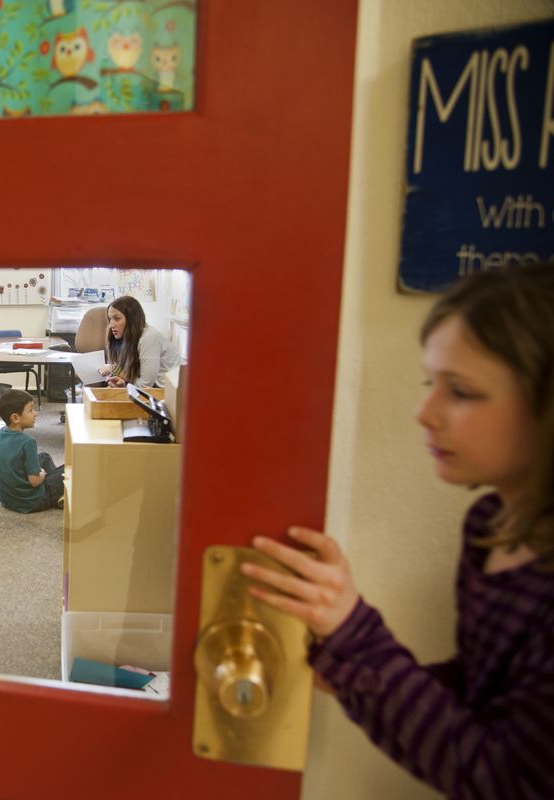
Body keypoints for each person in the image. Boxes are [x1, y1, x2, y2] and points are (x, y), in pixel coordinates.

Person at [242, 265, 554, 798]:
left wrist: (355, 640)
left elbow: (503, 777)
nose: (424, 412)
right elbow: (486, 697)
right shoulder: (490, 528)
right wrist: (355, 671)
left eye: (461, 392)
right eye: (429, 383)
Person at [0, 389, 64, 513]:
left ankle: (56, 490)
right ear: (15, 418)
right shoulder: (28, 442)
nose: (35, 413)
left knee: (44, 457)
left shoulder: (1, 433)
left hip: (8, 500)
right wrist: (41, 473)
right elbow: (35, 481)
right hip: (32, 501)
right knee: (68, 469)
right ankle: (54, 494)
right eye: (30, 410)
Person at [97, 295, 182, 389]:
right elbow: (130, 377)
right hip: (156, 392)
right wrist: (122, 384)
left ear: (131, 320)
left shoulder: (149, 338)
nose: (111, 325)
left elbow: (146, 386)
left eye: (117, 319)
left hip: (174, 393)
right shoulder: (124, 339)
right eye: (110, 319)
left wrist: (113, 369)